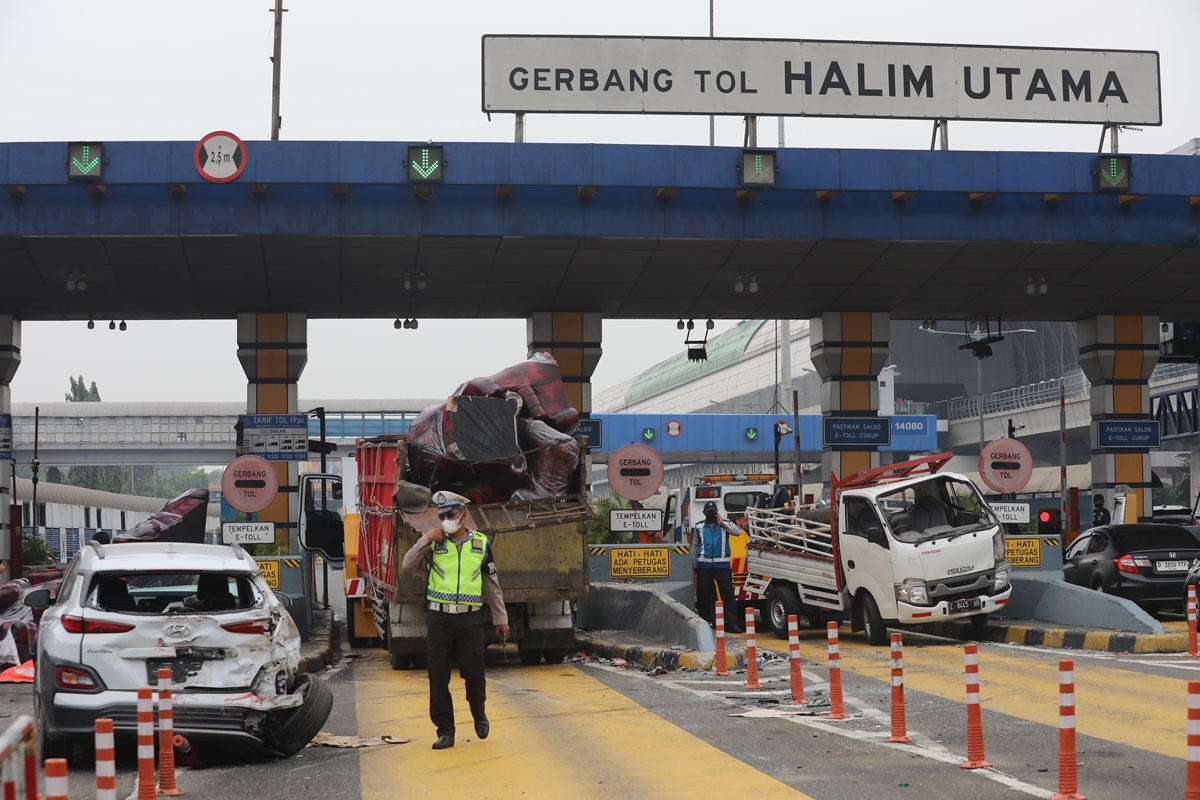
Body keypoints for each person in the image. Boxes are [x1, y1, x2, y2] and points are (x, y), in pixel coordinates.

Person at [401, 497, 509, 751]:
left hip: (470, 620)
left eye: (451, 515)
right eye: (442, 516)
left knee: (474, 675)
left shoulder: (480, 543)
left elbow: (492, 585)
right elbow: (407, 564)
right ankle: (445, 731)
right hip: (439, 619)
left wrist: (501, 618)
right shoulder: (434, 543)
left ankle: (479, 714)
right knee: (438, 677)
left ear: (463, 515)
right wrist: (426, 539)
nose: (446, 520)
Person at [691, 500, 746, 633]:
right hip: (704, 565)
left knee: (728, 595)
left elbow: (738, 532)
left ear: (717, 512)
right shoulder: (699, 526)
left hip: (722, 566)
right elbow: (695, 545)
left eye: (713, 511)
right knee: (704, 595)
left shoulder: (725, 524)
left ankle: (732, 624)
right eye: (709, 512)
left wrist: (722, 523)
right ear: (704, 513)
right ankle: (705, 622)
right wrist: (694, 563)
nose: (711, 514)